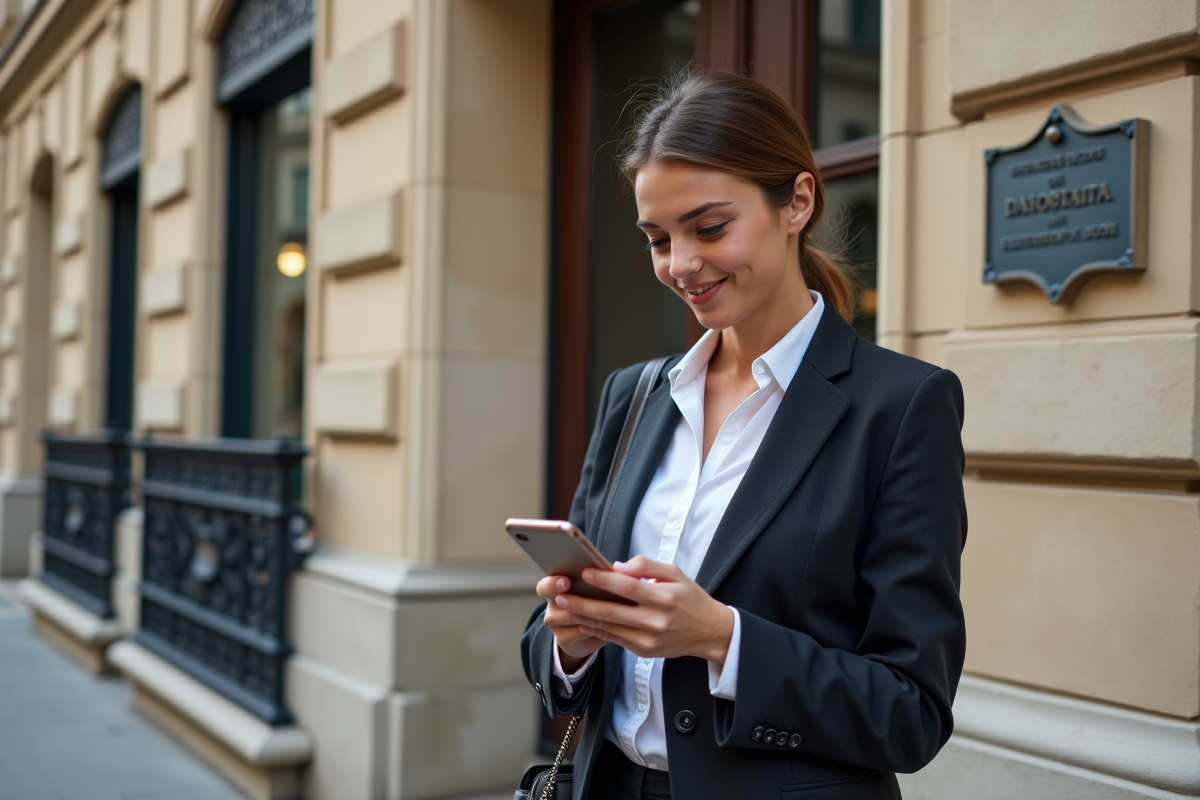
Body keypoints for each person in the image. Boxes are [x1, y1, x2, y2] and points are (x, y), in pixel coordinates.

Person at [521, 71, 967, 800]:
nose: (681, 265)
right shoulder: (633, 395)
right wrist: (568, 642)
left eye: (709, 227)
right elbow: (548, 651)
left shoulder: (903, 406)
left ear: (797, 202)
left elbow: (910, 712)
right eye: (658, 238)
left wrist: (722, 639)